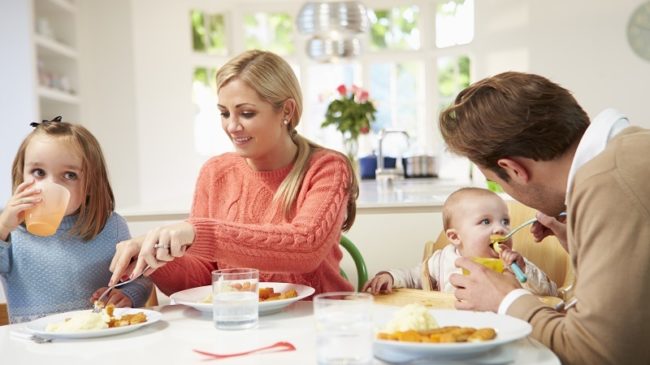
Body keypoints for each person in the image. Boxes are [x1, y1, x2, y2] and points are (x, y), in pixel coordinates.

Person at [438, 71, 650, 365]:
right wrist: (580, 245)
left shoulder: (607, 183)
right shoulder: (629, 150)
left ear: (513, 170)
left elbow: (597, 354)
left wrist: (506, 299)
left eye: (497, 183)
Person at [108, 50, 358, 296]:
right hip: (243, 323)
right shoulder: (215, 173)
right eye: (224, 113)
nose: (232, 126)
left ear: (287, 111)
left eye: (247, 113)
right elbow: (202, 281)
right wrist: (156, 258)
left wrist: (198, 232)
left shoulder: (328, 167)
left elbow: (306, 247)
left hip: (319, 321)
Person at [0, 118, 152, 323]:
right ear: (21, 174)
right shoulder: (11, 232)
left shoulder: (111, 228)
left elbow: (139, 280)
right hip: (36, 346)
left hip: (96, 341)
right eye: (38, 172)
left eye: (69, 175)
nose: (50, 184)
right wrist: (3, 227)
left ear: (90, 184)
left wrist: (127, 296)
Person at [362, 187, 557, 297]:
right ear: (455, 237)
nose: (500, 229)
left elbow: (550, 292)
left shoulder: (513, 265)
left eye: (505, 221)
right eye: (485, 221)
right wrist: (390, 277)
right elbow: (413, 278)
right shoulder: (440, 261)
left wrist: (523, 270)